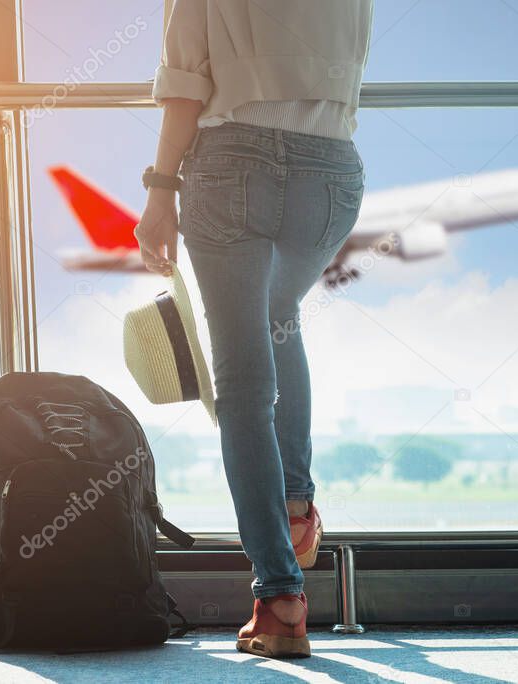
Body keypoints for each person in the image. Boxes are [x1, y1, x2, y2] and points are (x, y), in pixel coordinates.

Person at [134, 0, 373, 659]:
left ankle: (279, 596)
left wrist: (159, 190)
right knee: (279, 323)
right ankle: (297, 509)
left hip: (234, 162)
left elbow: (185, 86)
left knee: (241, 381)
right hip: (331, 169)